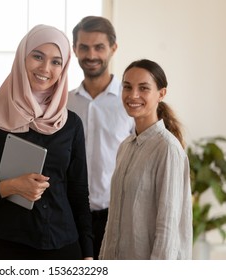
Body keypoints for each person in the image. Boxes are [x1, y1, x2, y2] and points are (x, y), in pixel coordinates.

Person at [0, 24, 93, 260]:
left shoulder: (71, 123)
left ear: (64, 67)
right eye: (37, 56)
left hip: (65, 245)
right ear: (21, 58)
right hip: (9, 245)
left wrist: (88, 253)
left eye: (56, 62)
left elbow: (79, 192)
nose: (45, 68)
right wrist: (11, 186)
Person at [99, 59, 193, 259]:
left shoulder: (167, 149)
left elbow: (168, 229)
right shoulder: (125, 147)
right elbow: (113, 220)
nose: (133, 95)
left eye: (143, 88)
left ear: (161, 94)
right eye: (127, 87)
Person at [66, 16, 134, 258]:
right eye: (84, 47)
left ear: (113, 48)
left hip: (117, 216)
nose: (91, 55)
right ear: (74, 49)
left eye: (99, 47)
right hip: (70, 217)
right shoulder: (64, 102)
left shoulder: (129, 104)